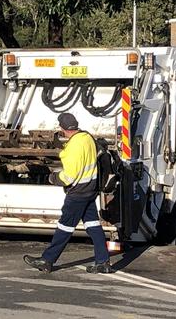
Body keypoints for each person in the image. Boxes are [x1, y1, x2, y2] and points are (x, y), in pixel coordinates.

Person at [23, 112, 114, 274]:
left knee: (64, 227)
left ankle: (47, 260)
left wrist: (53, 177)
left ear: (62, 128)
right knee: (93, 225)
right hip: (90, 189)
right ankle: (103, 261)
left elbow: (69, 177)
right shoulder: (87, 137)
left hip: (78, 193)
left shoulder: (74, 146)